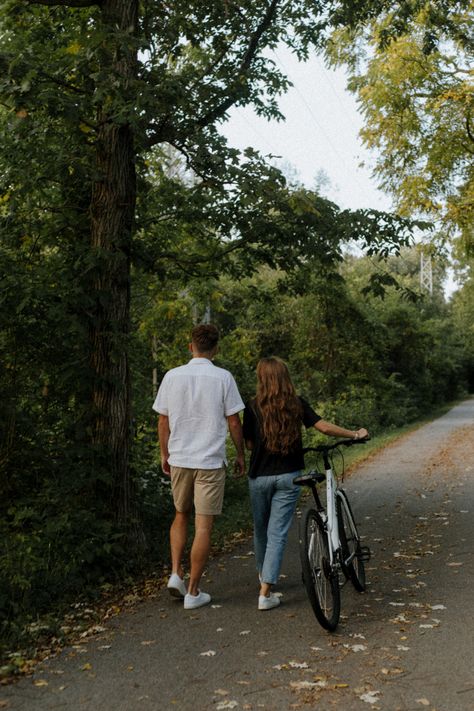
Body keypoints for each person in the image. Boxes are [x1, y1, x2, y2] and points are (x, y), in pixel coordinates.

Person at [243, 356, 368, 611]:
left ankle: (264, 578)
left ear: (262, 379)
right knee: (277, 533)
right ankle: (265, 593)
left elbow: (248, 444)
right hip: (289, 476)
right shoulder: (296, 404)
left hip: (259, 477)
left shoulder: (253, 406)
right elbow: (323, 427)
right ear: (285, 378)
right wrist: (355, 434)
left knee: (261, 530)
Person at [153, 324, 245, 610]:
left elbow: (163, 421)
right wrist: (241, 454)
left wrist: (164, 454)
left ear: (190, 346)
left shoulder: (172, 376)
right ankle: (193, 592)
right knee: (203, 526)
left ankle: (176, 574)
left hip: (180, 458)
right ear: (215, 349)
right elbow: (233, 421)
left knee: (180, 515)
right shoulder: (223, 377)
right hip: (210, 461)